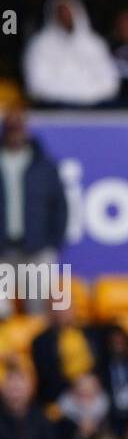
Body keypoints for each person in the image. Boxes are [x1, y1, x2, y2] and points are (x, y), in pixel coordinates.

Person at [0, 109, 68, 308]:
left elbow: (60, 207)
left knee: (37, 306)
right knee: (0, 307)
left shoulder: (43, 165)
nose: (15, 134)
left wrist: (52, 244)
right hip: (2, 249)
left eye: (18, 129)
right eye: (11, 129)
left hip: (36, 248)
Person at [23, 0, 120, 109]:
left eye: (68, 12)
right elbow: (36, 85)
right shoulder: (40, 45)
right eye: (61, 13)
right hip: (54, 109)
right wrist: (70, 94)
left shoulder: (95, 44)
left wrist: (86, 95)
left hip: (93, 108)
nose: (65, 17)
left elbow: (110, 82)